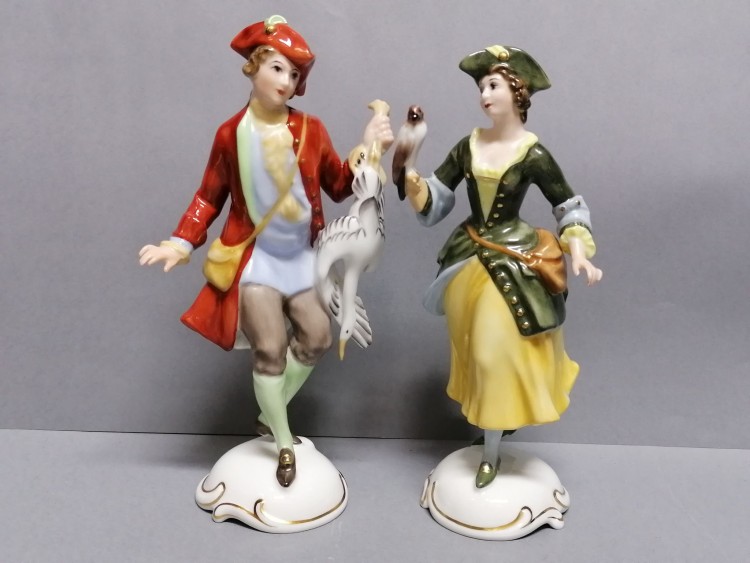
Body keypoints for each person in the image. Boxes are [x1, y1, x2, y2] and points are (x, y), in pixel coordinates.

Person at [139, 15, 392, 487]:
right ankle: (283, 441)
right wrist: (180, 242)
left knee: (316, 338)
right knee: (270, 349)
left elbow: (339, 184)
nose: (286, 81)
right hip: (257, 262)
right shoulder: (230, 134)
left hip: (301, 259)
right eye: (277, 68)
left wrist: (368, 150)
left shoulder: (311, 129)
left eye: (293, 74)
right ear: (253, 67)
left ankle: (268, 412)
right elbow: (208, 196)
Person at [402, 45, 602, 488]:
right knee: (474, 353)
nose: (484, 95)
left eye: (493, 85)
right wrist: (413, 179)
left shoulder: (533, 154)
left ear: (518, 91)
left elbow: (567, 205)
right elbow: (436, 198)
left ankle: (491, 452)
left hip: (513, 260)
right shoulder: (468, 146)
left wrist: (578, 249)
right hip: (468, 262)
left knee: (493, 353)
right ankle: (495, 427)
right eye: (481, 87)